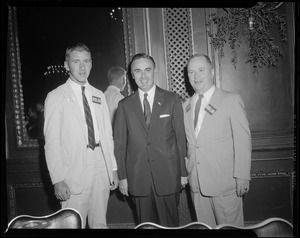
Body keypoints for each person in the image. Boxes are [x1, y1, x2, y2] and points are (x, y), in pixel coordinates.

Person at [43, 43, 119, 229]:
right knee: (72, 224)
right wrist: (58, 179)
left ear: (91, 64)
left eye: (86, 61)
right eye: (76, 61)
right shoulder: (55, 96)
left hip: (100, 166)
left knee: (100, 223)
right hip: (73, 172)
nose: (82, 67)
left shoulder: (99, 95)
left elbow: (107, 136)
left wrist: (113, 169)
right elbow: (51, 142)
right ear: (67, 65)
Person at [113, 53, 188, 227]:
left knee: (170, 225)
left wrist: (183, 173)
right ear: (131, 75)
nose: (143, 75)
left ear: (155, 71)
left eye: (147, 70)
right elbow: (120, 145)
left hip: (168, 175)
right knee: (144, 225)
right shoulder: (124, 105)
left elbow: (180, 140)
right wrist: (122, 177)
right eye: (137, 71)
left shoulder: (172, 99)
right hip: (138, 177)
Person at [183, 53, 252, 228]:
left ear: (212, 72)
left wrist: (242, 175)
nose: (196, 76)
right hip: (197, 185)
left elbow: (242, 141)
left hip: (225, 184)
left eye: (201, 70)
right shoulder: (185, 106)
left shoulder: (231, 100)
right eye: (191, 72)